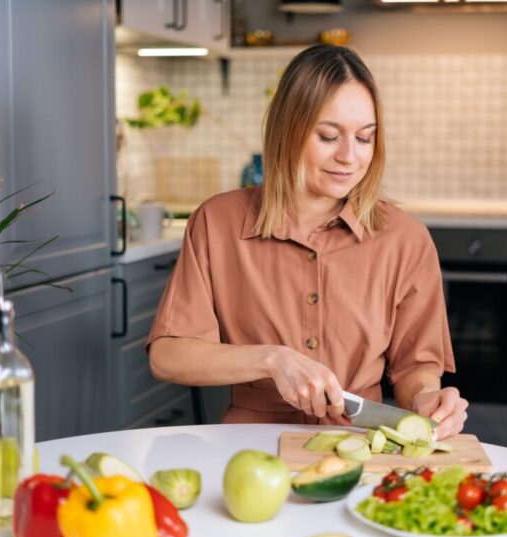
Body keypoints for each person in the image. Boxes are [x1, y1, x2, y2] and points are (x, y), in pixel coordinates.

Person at [146, 44, 468, 439]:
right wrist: (272, 360)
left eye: (365, 138)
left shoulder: (405, 238)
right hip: (248, 445)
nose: (350, 157)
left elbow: (416, 367)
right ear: (289, 130)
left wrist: (426, 401)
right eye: (329, 136)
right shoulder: (218, 222)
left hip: (363, 442)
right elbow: (168, 356)